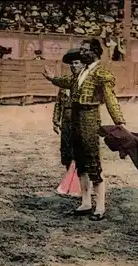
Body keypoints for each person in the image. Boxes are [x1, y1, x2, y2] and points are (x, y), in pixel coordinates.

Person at [42, 38, 126, 221]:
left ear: (94, 52)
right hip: (75, 118)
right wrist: (52, 79)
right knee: (79, 160)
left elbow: (110, 98)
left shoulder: (101, 73)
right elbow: (66, 82)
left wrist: (119, 121)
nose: (81, 52)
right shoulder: (82, 72)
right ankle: (86, 202)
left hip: (89, 117)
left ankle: (100, 207)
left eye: (84, 50)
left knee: (92, 160)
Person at [53, 48, 85, 198]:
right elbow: (58, 103)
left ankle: (79, 185)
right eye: (72, 64)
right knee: (66, 152)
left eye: (76, 63)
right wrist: (55, 120)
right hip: (66, 121)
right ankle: (69, 182)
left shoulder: (85, 83)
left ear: (83, 65)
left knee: (78, 152)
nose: (73, 66)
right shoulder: (65, 82)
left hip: (79, 121)